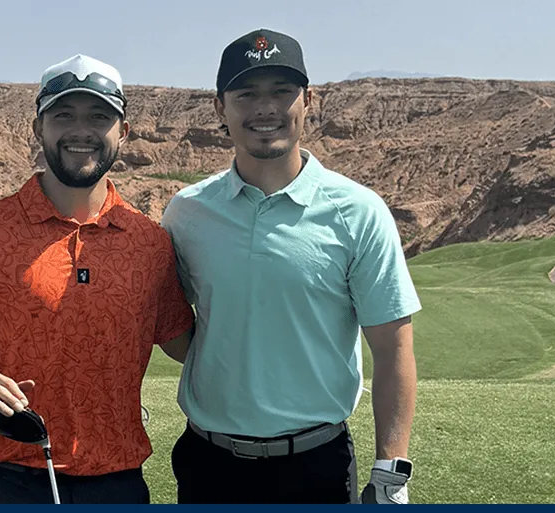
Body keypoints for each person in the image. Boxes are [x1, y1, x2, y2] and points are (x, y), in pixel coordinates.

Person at [0, 54, 195, 504]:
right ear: (38, 128)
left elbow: (184, 342)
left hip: (118, 481)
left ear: (124, 131)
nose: (81, 131)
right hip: (10, 478)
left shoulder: (150, 242)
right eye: (64, 115)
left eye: (99, 116)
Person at [159, 28, 422, 504]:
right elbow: (171, 324)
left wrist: (391, 471)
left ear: (308, 100)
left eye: (282, 91)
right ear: (220, 108)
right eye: (246, 94)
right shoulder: (187, 211)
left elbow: (393, 347)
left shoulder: (358, 210)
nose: (266, 108)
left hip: (317, 466)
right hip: (208, 463)